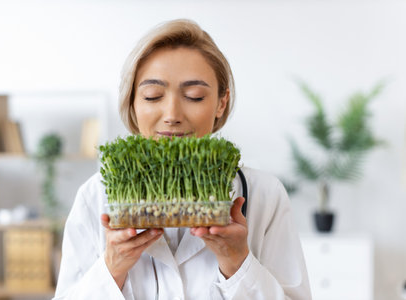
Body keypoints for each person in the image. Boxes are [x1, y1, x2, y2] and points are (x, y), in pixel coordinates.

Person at [53, 19, 311, 300]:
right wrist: (112, 268)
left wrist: (238, 263)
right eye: (153, 96)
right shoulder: (95, 196)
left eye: (194, 96)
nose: (172, 114)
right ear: (132, 102)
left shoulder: (265, 194)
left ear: (221, 103)